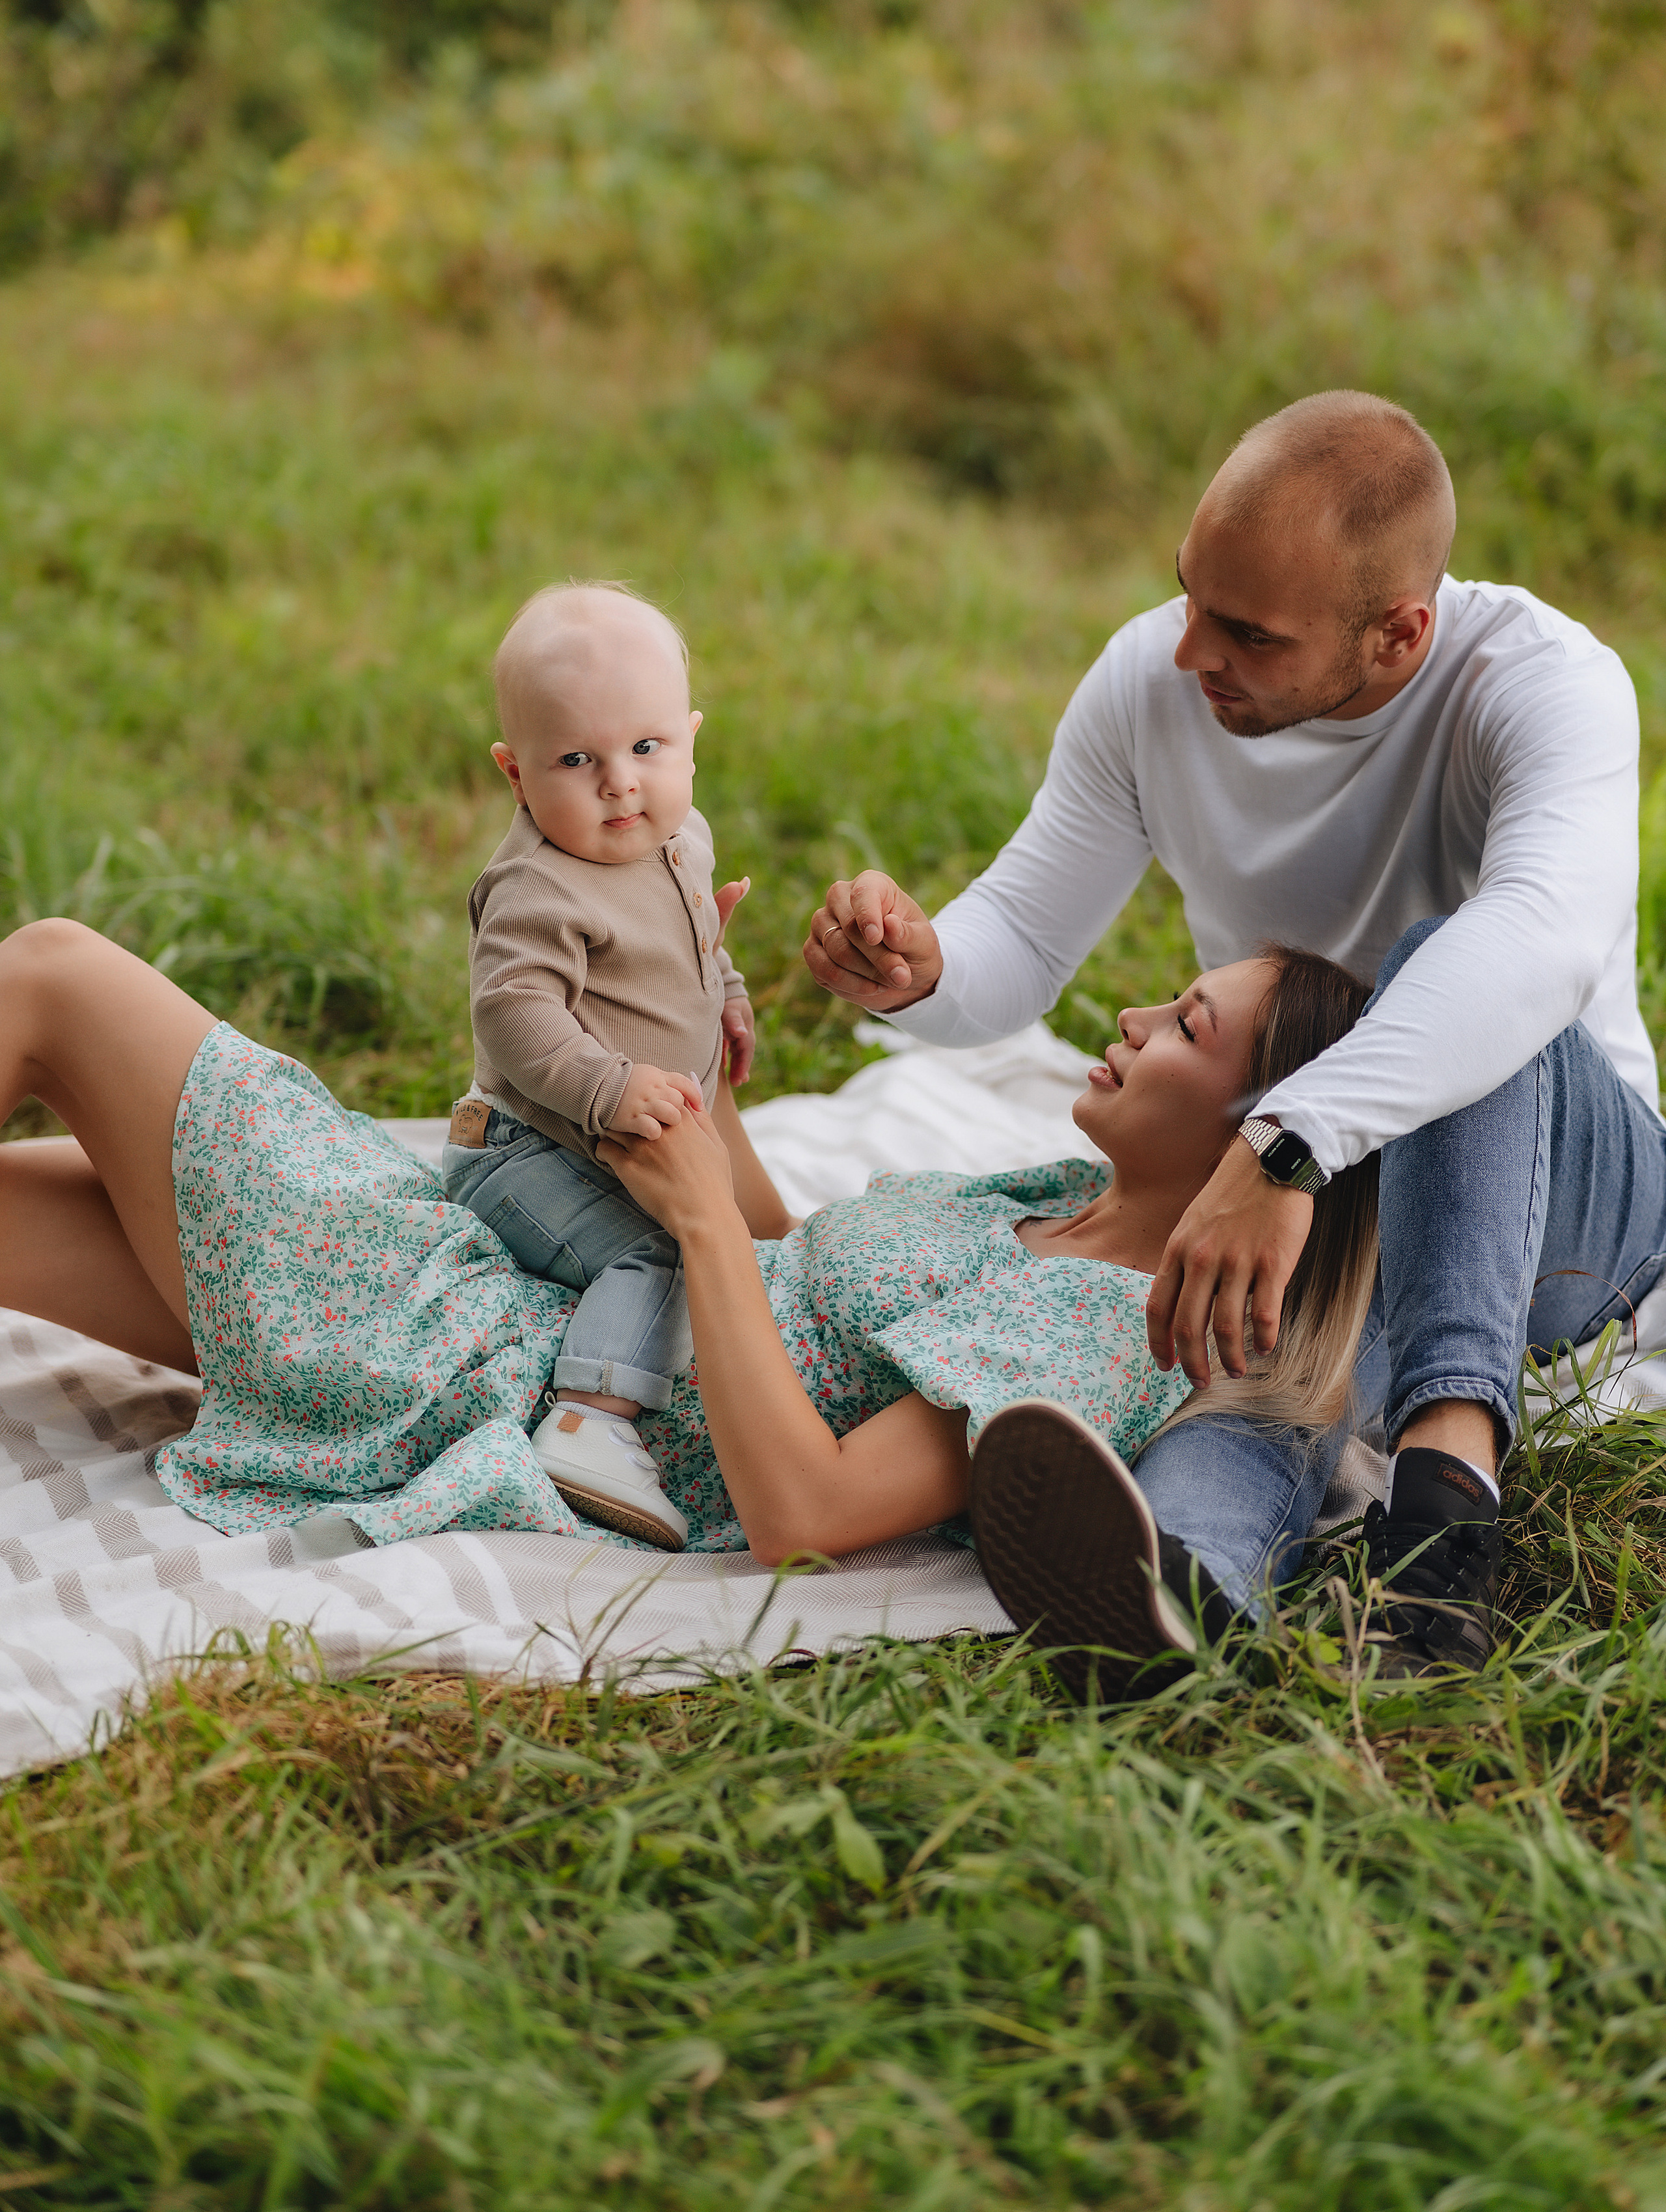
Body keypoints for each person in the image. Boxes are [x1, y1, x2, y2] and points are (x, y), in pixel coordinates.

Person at [804, 388, 1654, 1681]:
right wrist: (923, 966)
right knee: (1243, 1350)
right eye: (1190, 596)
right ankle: (1173, 1588)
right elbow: (1019, 944)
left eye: (1247, 633)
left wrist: (1279, 1148)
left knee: (1449, 960)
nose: (1191, 651)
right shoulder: (1156, 679)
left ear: (1397, 632)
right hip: (1309, 1181)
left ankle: (1443, 1508)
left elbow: (1536, 941)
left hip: (1569, 1209)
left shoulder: (1541, 685)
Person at [0, 919, 1372, 1583]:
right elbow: (795, 1284)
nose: (1132, 1014)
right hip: (502, 1295)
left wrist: (700, 1216)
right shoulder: (1058, 1187)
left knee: (57, 975)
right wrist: (704, 1092)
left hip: (487, 1364)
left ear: (1259, 1135)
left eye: (1183, 1026)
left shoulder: (1101, 1324)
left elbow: (808, 1508)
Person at [441, 583, 756, 1551]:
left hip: (604, 1143)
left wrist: (729, 994)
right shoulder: (540, 882)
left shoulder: (676, 836)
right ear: (516, 774)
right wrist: (611, 1089)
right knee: (660, 1247)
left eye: (646, 749)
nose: (621, 781)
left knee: (720, 1237)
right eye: (578, 759)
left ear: (690, 738)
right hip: (527, 1150)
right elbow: (514, 1014)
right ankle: (591, 1419)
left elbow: (696, 938)